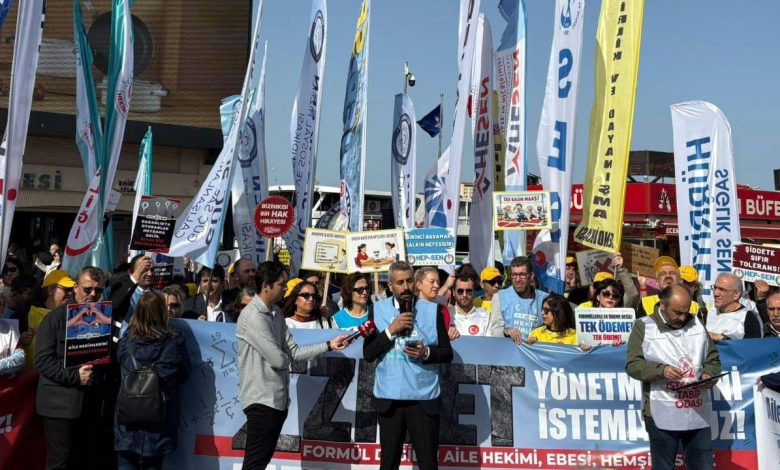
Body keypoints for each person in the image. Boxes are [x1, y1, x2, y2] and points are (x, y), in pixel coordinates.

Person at [236, 261, 347, 469]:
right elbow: (279, 359)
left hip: (278, 400)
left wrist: (328, 345)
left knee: (261, 461)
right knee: (254, 463)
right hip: (260, 400)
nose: (285, 288)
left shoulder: (276, 312)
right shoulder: (253, 316)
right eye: (281, 284)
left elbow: (293, 352)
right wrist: (285, 357)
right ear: (266, 286)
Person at [363, 261, 453, 470]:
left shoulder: (433, 310)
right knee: (388, 464)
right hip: (390, 397)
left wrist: (426, 352)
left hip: (423, 398)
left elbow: (447, 353)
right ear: (390, 285)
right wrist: (390, 331)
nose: (405, 287)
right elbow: (368, 353)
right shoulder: (377, 309)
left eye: (409, 281)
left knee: (428, 463)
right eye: (400, 282)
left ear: (415, 282)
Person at [626, 285, 721, 470]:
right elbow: (633, 365)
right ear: (662, 304)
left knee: (703, 465)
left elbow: (713, 360)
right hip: (661, 407)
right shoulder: (644, 326)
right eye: (677, 312)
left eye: (686, 312)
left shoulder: (697, 324)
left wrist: (709, 375)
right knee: (663, 466)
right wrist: (661, 370)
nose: (683, 318)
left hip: (697, 408)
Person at [35, 266, 108, 469]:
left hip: (90, 405)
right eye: (87, 289)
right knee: (61, 462)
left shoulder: (102, 318)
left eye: (98, 290)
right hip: (60, 407)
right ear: (75, 287)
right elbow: (42, 360)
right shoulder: (54, 318)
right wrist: (75, 376)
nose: (93, 294)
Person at [114, 292, 190, 469]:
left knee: (125, 464)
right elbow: (184, 374)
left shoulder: (126, 341)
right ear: (162, 312)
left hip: (127, 426)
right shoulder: (174, 341)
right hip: (159, 425)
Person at [492, 256, 548, 344]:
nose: (518, 280)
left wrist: (539, 338)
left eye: (522, 275)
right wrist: (506, 331)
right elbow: (495, 331)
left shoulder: (544, 299)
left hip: (535, 350)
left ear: (531, 276)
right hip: (508, 349)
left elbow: (552, 330)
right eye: (514, 275)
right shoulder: (499, 297)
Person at [705, 273, 762, 341]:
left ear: (736, 294)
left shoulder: (748, 317)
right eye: (715, 288)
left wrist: (722, 338)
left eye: (722, 290)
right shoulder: (709, 311)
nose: (715, 293)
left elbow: (752, 346)